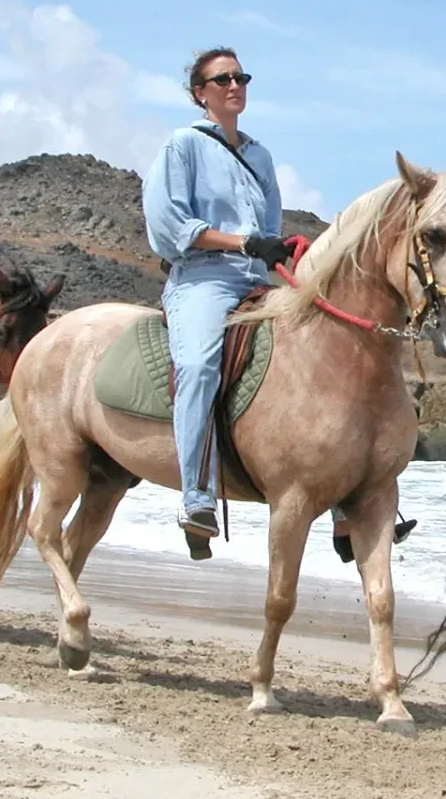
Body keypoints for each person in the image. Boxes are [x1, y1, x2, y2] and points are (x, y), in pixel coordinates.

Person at [143, 48, 296, 539]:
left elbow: (268, 225)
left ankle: (344, 503)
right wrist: (240, 240)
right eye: (223, 79)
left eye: (241, 77)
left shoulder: (260, 156)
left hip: (254, 280)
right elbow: (170, 226)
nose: (235, 85)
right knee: (199, 364)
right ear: (200, 93)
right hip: (202, 278)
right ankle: (197, 495)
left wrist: (272, 248)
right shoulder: (182, 145)